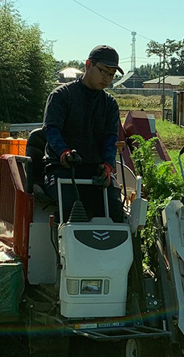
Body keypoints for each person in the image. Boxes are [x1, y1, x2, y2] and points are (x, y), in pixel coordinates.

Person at [42, 44, 124, 223]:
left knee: (115, 208)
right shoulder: (62, 96)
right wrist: (64, 152)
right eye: (103, 71)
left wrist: (108, 165)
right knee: (71, 207)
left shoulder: (110, 104)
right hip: (62, 169)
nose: (107, 78)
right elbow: (51, 129)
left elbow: (111, 138)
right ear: (88, 65)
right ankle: (61, 248)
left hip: (95, 171)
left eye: (111, 74)